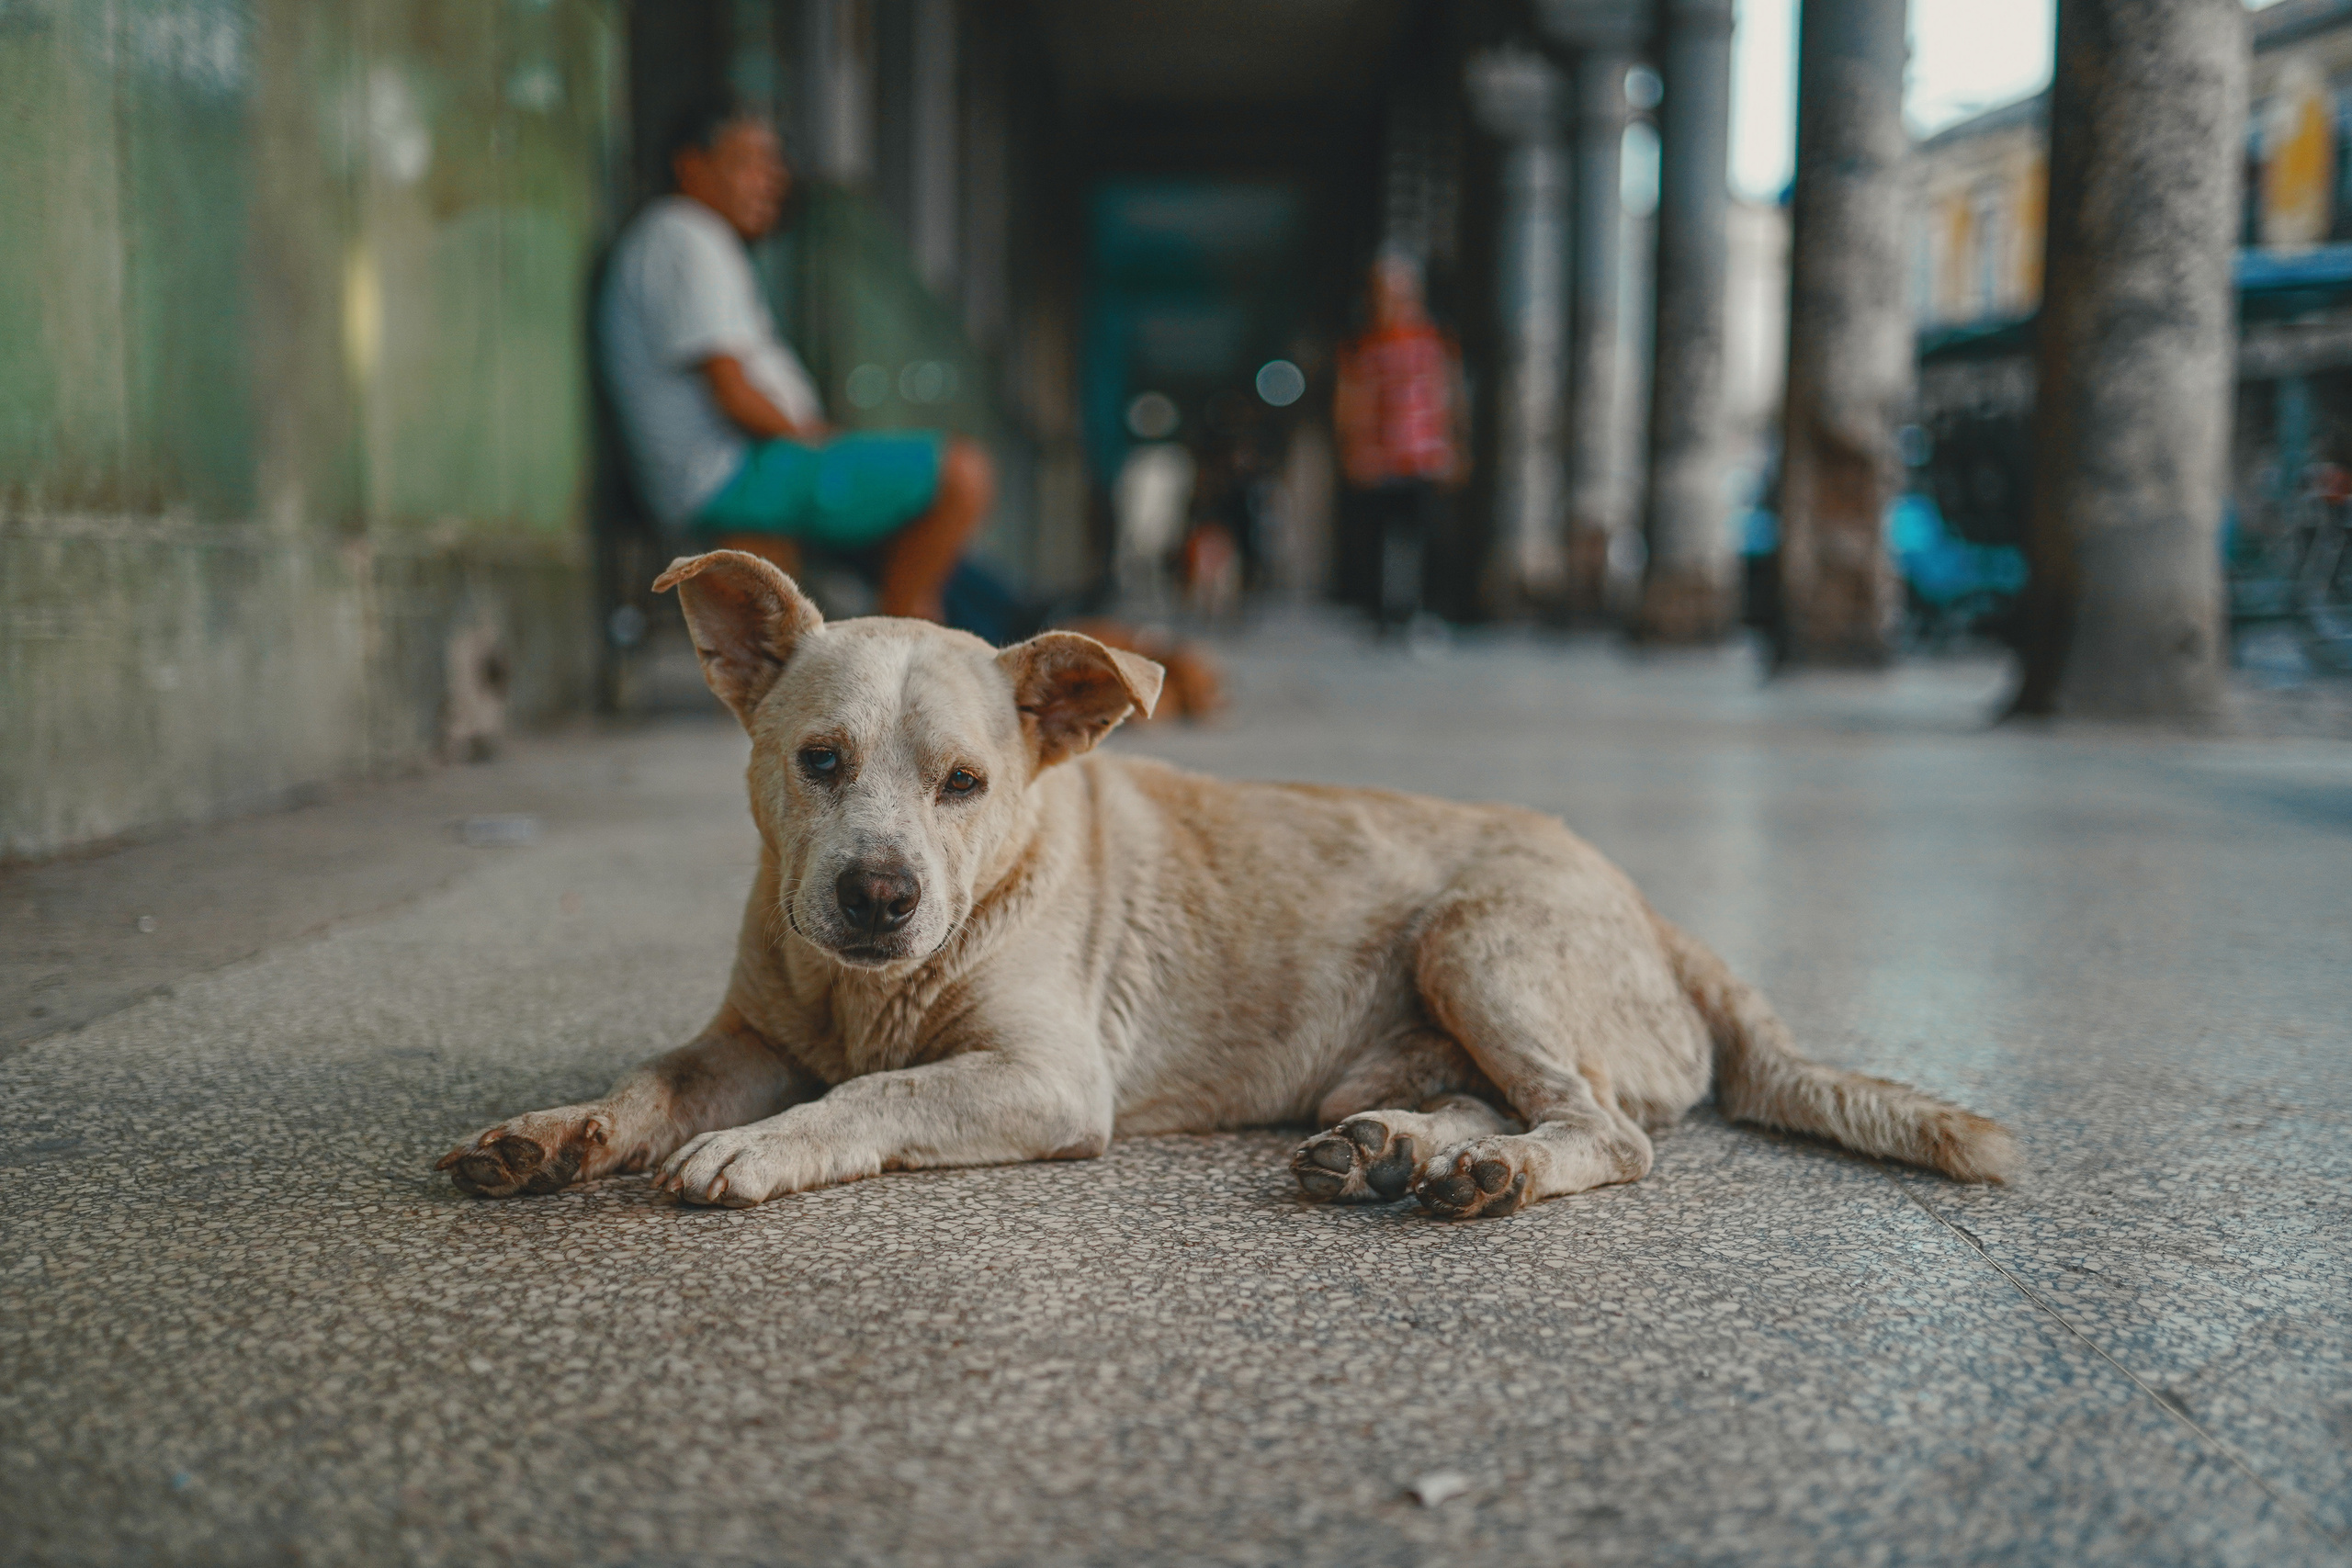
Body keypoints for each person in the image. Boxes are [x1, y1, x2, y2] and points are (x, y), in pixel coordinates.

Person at [601, 99, 992, 622]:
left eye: (775, 165)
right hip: (729, 475)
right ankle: (905, 638)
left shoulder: (695, 238)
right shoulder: (684, 233)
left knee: (950, 563)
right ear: (692, 167)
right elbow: (733, 393)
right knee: (962, 475)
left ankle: (931, 623)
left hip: (750, 468)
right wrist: (814, 443)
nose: (772, 179)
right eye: (751, 163)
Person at [1333, 253, 1464, 629]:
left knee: (1431, 536)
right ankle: (1382, 613)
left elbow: (1448, 391)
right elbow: (1349, 398)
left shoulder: (1433, 339)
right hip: (1377, 457)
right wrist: (1351, 448)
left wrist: (1455, 444)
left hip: (1424, 455)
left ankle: (1431, 610)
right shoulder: (1362, 344)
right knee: (1378, 539)